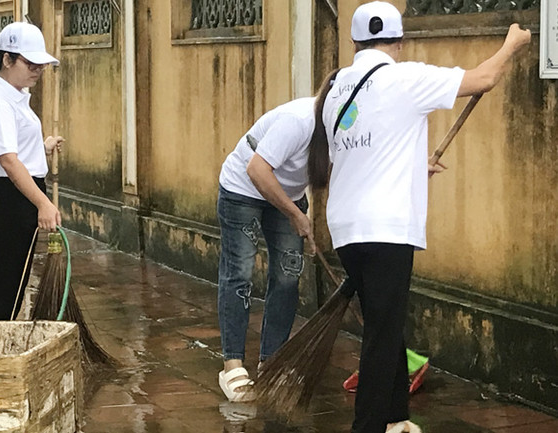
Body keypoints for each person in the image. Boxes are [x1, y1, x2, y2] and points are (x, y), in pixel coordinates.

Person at [311, 2, 531, 432]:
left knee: (383, 321)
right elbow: (483, 78)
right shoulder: (405, 78)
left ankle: (396, 418)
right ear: (399, 41)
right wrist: (512, 44)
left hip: (346, 228)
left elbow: (359, 153)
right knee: (381, 334)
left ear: (356, 41)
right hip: (386, 229)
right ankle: (369, 426)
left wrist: (414, 166)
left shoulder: (336, 89)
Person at [216, 92, 320, 402]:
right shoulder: (299, 120)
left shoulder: (348, 125)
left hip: (287, 194)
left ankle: (273, 361)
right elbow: (256, 170)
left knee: (288, 276)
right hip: (243, 187)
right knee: (240, 272)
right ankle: (232, 363)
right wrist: (296, 215)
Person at [0, 22, 65, 321]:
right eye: (30, 62)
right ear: (7, 59)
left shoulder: (13, 95)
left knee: (13, 283)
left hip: (13, 196)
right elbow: (9, 161)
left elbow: (13, 149)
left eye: (41, 64)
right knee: (7, 287)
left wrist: (42, 147)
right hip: (6, 200)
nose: (37, 69)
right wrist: (43, 203)